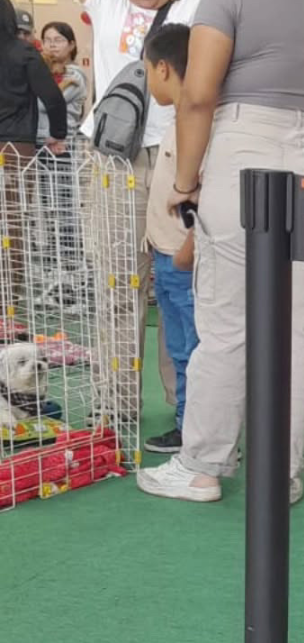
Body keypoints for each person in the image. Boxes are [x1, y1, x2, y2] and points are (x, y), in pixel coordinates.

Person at [135, 0, 304, 506]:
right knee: (297, 328)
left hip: (246, 144)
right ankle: (281, 473)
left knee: (226, 324)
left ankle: (202, 467)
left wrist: (184, 183)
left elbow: (197, 95)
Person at [78, 0, 202, 417]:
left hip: (180, 152)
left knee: (178, 284)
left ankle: (186, 403)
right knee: (116, 284)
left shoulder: (196, 6)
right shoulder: (107, 5)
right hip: (115, 155)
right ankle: (116, 401)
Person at [140, 24, 197, 455]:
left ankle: (197, 429)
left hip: (183, 259)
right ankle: (187, 423)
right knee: (180, 347)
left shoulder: (194, 125)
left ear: (163, 68)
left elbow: (203, 200)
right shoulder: (179, 120)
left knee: (192, 349)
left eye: (146, 71)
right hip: (166, 254)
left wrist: (184, 254)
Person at [0, 0, 67, 305]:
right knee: (13, 224)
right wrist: (58, 133)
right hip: (17, 148)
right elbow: (53, 97)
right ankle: (8, 303)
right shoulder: (24, 52)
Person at [37, 22, 88, 145]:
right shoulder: (42, 72)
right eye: (47, 40)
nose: (52, 45)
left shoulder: (74, 76)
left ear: (71, 45)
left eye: (58, 40)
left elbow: (44, 104)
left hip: (61, 144)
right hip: (38, 141)